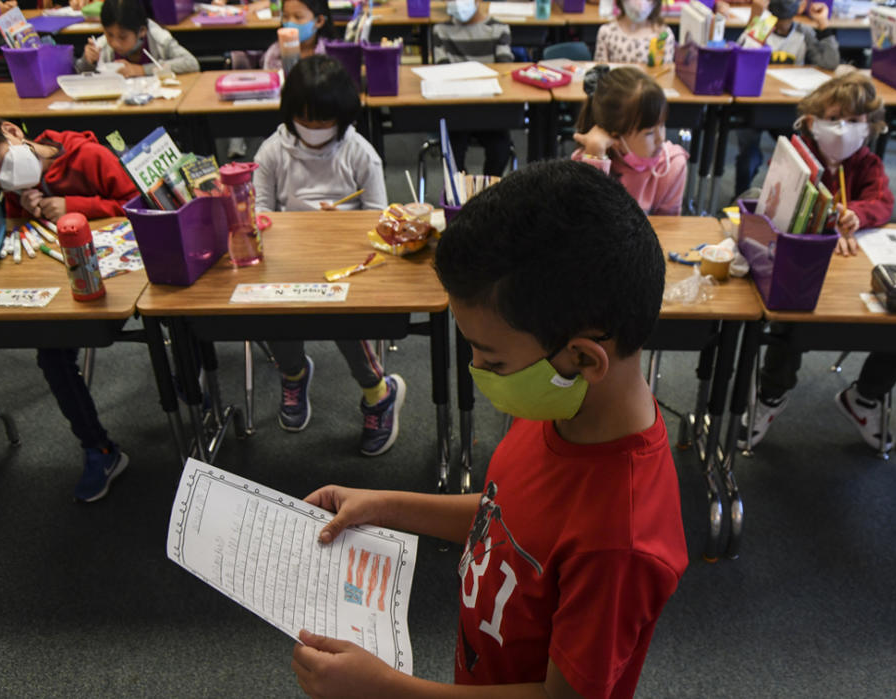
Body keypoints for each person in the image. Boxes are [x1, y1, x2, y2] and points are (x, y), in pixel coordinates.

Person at [290, 159, 688, 697]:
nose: (478, 373)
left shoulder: (622, 543)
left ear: (584, 360)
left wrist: (386, 690)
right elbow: (506, 516)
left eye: (494, 362)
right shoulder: (560, 407)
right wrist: (385, 505)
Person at [0, 112, 137, 501]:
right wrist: (26, 209)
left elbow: (136, 204)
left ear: (12, 131)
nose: (4, 179)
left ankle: (192, 390)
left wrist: (74, 205)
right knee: (51, 357)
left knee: (179, 324)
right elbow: (21, 236)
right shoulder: (18, 186)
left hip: (125, 280)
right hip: (65, 290)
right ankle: (98, 448)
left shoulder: (90, 156)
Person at [252, 56, 402, 457]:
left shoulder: (360, 154)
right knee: (273, 315)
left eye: (324, 121)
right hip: (287, 259)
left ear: (343, 117)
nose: (315, 129)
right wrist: (285, 226)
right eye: (306, 120)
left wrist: (344, 226)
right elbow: (260, 213)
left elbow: (380, 218)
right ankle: (294, 373)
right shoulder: (271, 153)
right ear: (290, 115)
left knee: (344, 319)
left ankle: (378, 391)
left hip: (347, 262)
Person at [743, 73, 896, 451]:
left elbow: (882, 202)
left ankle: (864, 397)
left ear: (871, 126)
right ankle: (772, 394)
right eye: (834, 117)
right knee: (789, 324)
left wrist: (856, 214)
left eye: (856, 120)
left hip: (853, 267)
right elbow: (768, 198)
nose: (844, 128)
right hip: (801, 264)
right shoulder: (796, 157)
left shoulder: (868, 163)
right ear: (812, 120)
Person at [734, 0, 840, 195]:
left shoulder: (803, 33)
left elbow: (830, 62)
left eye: (786, 20)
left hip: (788, 106)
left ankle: (793, 197)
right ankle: (740, 194)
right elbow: (739, 57)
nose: (781, 25)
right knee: (748, 153)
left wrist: (823, 24)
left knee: (799, 151)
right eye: (778, 19)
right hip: (756, 104)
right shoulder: (761, 28)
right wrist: (755, 23)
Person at [572, 65, 688, 215]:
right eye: (649, 133)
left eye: (662, 125)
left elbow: (669, 227)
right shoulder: (586, 160)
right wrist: (596, 155)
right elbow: (587, 221)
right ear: (615, 138)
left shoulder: (672, 166)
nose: (661, 139)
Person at [432, 0, 515, 177]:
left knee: (500, 150)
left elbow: (504, 70)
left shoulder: (499, 29)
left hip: (489, 108)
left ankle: (489, 191)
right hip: (456, 108)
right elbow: (442, 69)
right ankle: (463, 193)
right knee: (452, 154)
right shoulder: (441, 30)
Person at [75, 0, 199, 77]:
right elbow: (79, 72)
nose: (114, 43)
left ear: (142, 31)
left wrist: (142, 70)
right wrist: (88, 61)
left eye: (122, 37)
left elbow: (191, 63)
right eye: (109, 34)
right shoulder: (102, 46)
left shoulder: (158, 38)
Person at [594, 0, 674, 65]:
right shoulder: (607, 33)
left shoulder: (664, 35)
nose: (640, 3)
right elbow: (600, 74)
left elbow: (665, 76)